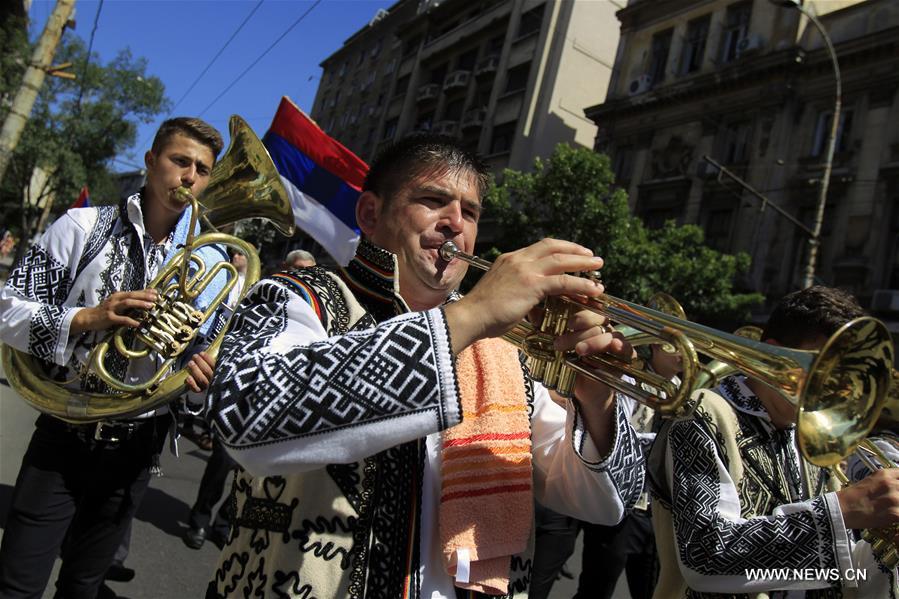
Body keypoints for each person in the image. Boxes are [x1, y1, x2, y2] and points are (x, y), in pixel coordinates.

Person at [203, 134, 646, 598]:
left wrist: (597, 401)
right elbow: (244, 412)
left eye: (470, 212)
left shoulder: (503, 352)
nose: (455, 223)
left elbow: (602, 503)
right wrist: (472, 314)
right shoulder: (298, 294)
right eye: (434, 201)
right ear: (371, 214)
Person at [0, 117, 226, 599]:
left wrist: (201, 376)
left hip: (138, 446)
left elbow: (204, 357)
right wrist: (87, 318)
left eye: (202, 170)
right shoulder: (82, 226)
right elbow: (7, 312)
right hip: (64, 432)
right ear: (151, 161)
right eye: (179, 161)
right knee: (16, 581)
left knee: (83, 586)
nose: (189, 177)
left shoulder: (211, 262)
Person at [648, 286, 899, 598]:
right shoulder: (704, 412)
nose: (835, 390)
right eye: (822, 369)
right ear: (774, 357)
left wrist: (882, 546)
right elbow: (705, 556)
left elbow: (836, 568)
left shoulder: (815, 429)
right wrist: (841, 509)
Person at [529, 342, 680, 599]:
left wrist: (598, 402)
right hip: (600, 495)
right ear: (655, 347)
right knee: (591, 582)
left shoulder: (676, 387)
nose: (680, 354)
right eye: (672, 346)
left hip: (643, 502)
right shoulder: (633, 375)